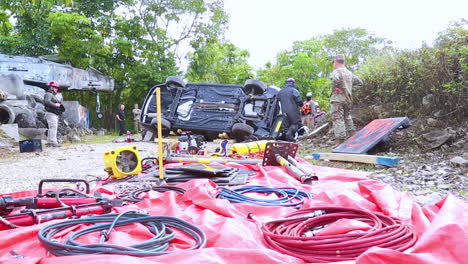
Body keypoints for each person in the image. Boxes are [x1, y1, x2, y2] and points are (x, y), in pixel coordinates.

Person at [330, 54, 363, 141]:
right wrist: (349, 90)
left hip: (337, 99)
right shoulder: (349, 73)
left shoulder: (335, 72)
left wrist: (336, 90)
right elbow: (360, 83)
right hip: (348, 99)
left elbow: (335, 80)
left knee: (337, 118)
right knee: (347, 117)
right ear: (344, 62)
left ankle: (341, 141)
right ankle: (353, 138)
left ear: (335, 62)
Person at [43, 80, 64, 147]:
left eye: (57, 88)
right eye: (55, 87)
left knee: (52, 127)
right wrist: (56, 105)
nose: (57, 89)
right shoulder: (48, 94)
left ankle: (50, 142)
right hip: (51, 113)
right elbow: (47, 102)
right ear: (51, 87)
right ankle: (53, 142)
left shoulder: (52, 95)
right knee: (53, 127)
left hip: (53, 113)